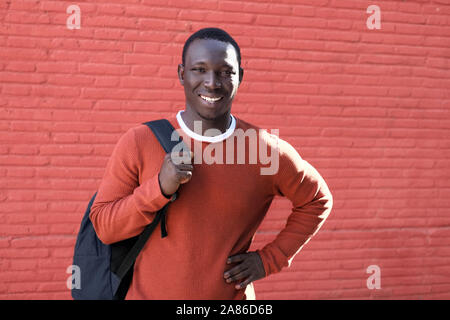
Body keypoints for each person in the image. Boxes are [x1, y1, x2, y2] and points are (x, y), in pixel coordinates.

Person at [89, 27, 333, 300]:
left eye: (225, 72)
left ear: (240, 76)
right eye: (200, 69)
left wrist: (269, 260)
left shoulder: (265, 150)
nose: (212, 82)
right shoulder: (139, 141)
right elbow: (105, 227)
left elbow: (317, 200)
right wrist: (159, 188)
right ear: (182, 74)